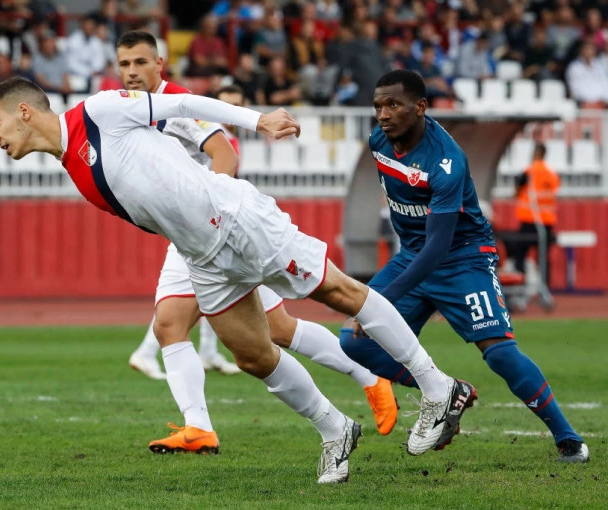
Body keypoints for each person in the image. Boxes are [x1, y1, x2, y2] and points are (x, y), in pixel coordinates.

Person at [0, 74, 477, 483]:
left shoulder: (98, 111)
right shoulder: (73, 167)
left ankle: (437, 387)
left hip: (236, 220)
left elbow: (183, 104)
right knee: (253, 356)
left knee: (337, 290)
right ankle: (335, 429)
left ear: (24, 111)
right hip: (202, 257)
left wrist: (258, 120)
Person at [116, 32, 398, 453]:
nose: (132, 72)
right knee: (179, 325)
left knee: (262, 329)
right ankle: (199, 427)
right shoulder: (129, 111)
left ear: (160, 64)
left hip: (217, 231)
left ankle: (370, 379)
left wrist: (206, 214)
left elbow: (226, 155)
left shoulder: (176, 103)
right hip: (190, 238)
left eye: (140, 62)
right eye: (124, 64)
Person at [339, 70, 588, 464]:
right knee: (354, 341)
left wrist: (379, 301)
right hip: (413, 254)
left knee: (500, 354)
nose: (383, 115)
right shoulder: (378, 142)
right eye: (378, 106)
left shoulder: (447, 162)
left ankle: (569, 439)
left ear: (420, 107)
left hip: (463, 258)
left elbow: (438, 247)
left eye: (393, 105)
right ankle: (444, 391)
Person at [510, 143, 560, 285]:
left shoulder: (528, 172)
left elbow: (516, 192)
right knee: (543, 257)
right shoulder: (552, 174)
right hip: (547, 221)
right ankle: (545, 287)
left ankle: (520, 284)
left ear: (536, 153)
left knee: (519, 253)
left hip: (529, 219)